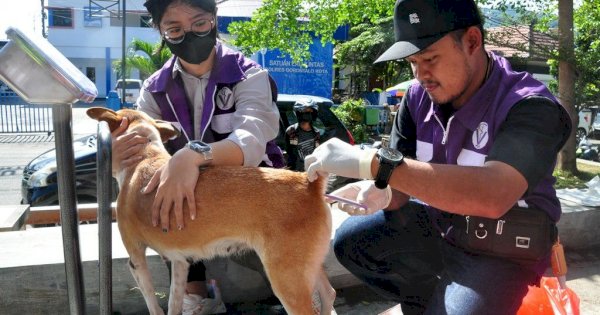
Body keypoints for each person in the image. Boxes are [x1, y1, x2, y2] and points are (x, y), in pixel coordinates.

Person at [304, 0, 572, 314]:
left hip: (503, 248)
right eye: (413, 63)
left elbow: (494, 195)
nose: (421, 75)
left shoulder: (529, 106)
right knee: (352, 241)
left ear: (472, 41)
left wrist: (373, 163)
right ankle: (425, 302)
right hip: (440, 227)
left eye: (430, 59)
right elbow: (401, 183)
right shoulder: (418, 98)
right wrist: (381, 191)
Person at [110, 0, 284, 314]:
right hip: (188, 199)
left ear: (214, 20)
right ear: (161, 33)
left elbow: (251, 142)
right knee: (156, 195)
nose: (189, 36)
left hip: (251, 193)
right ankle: (194, 296)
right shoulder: (154, 90)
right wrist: (120, 154)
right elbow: (140, 152)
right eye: (174, 29)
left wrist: (193, 154)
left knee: (279, 255)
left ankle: (304, 291)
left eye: (199, 24)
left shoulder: (249, 75)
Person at [285, 98, 321, 171]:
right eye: (305, 111)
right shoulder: (291, 131)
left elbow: (317, 152)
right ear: (299, 113)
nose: (307, 114)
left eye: (310, 111)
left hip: (310, 171)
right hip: (295, 172)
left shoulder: (316, 132)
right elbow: (290, 151)